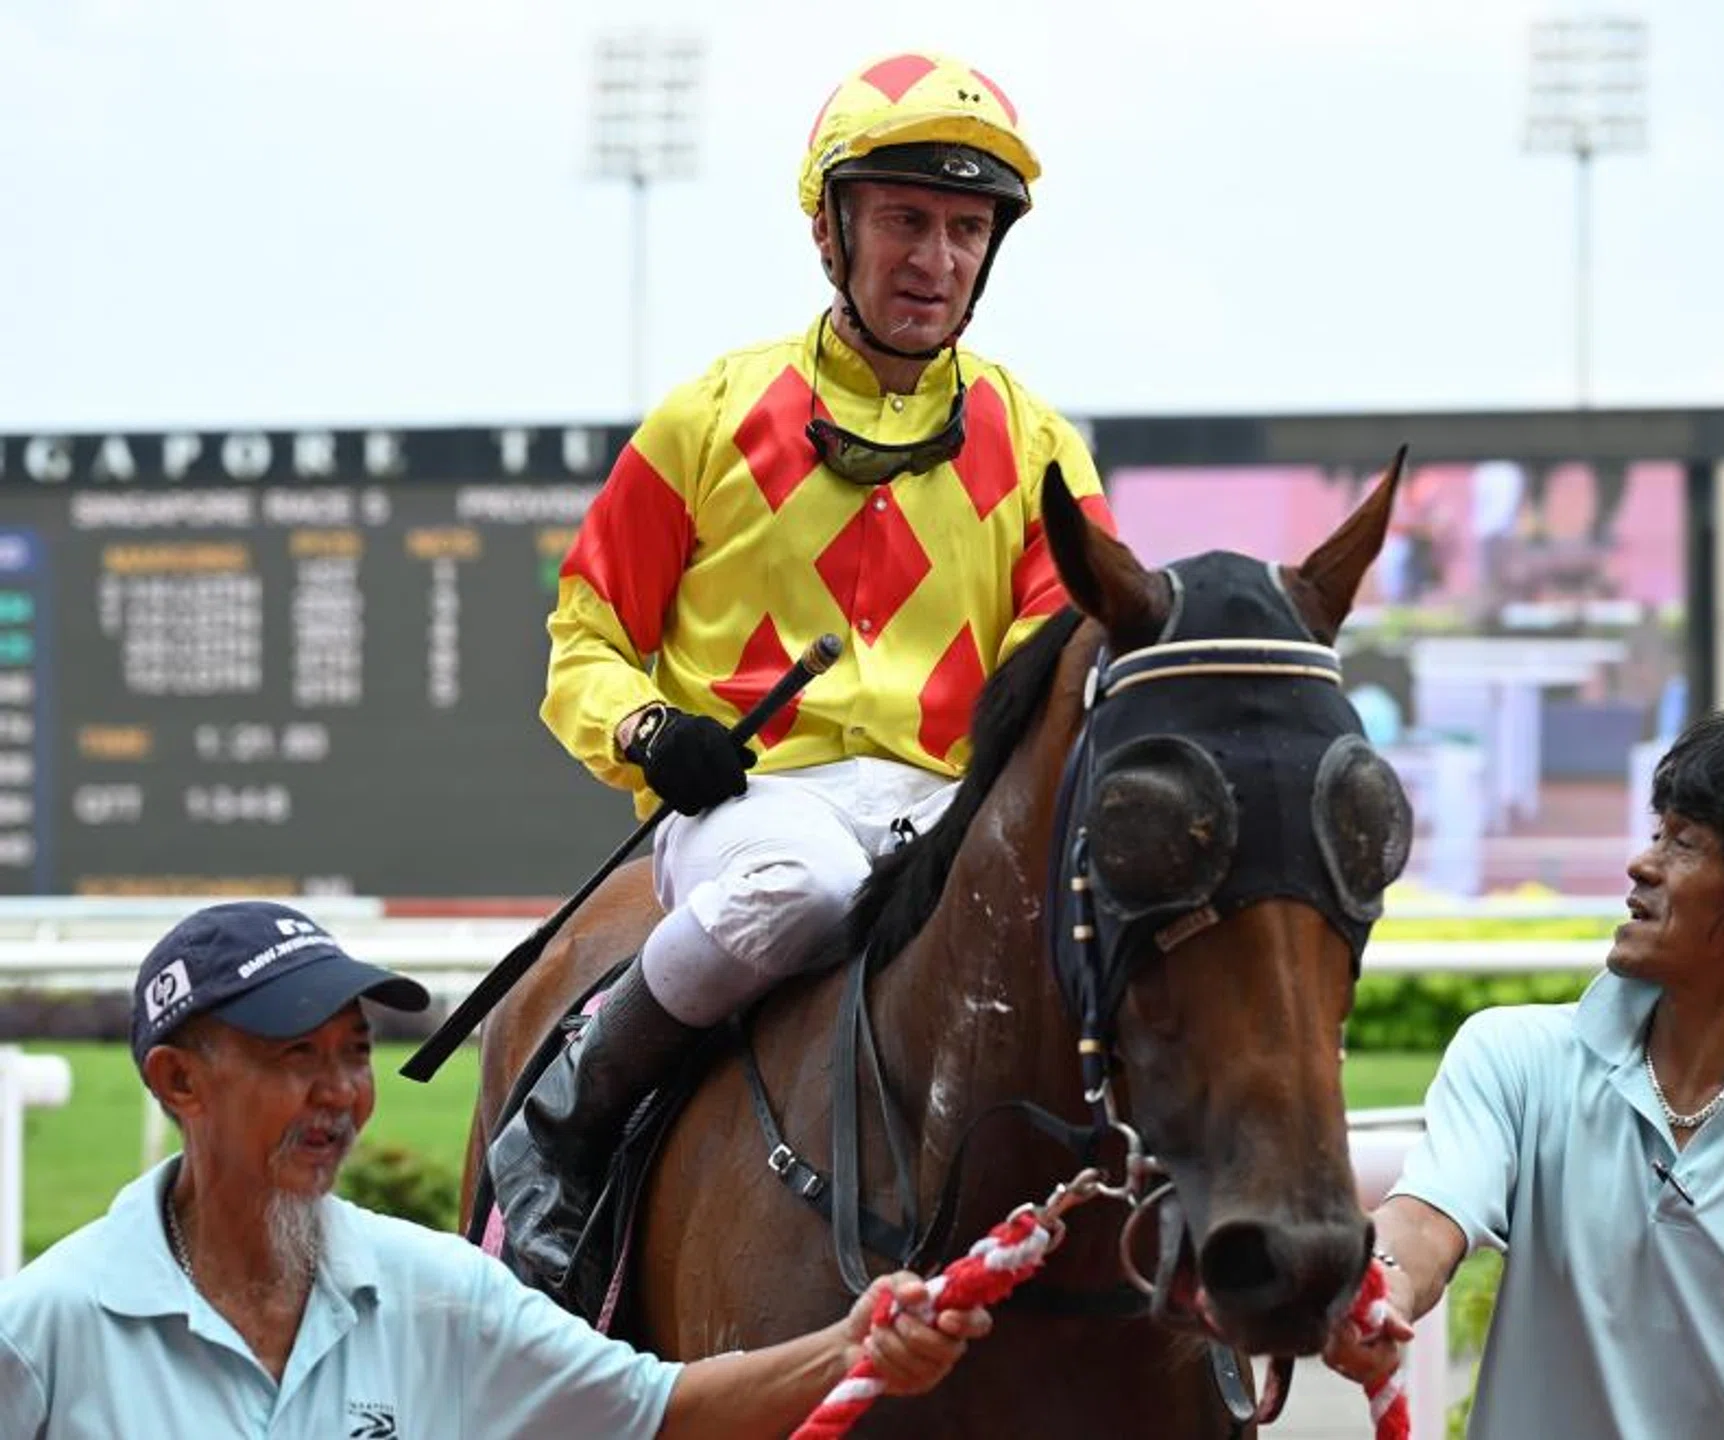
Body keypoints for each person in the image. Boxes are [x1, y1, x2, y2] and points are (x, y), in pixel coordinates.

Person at [494, 49, 1112, 1286]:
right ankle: (562, 1126)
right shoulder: (708, 419)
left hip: (944, 812)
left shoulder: (1038, 445)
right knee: (808, 881)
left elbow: (1072, 669)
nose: (936, 260)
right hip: (750, 816)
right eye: (904, 222)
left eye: (964, 229)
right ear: (832, 233)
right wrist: (651, 734)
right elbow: (585, 636)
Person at [0, 902, 990, 1438]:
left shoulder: (440, 1295)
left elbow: (660, 1410)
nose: (341, 1093)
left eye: (353, 1053)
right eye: (294, 1055)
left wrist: (852, 1344)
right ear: (179, 1082)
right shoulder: (43, 1329)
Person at [1324, 706, 1724, 1437]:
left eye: (1686, 843)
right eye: (1656, 832)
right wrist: (1381, 1281)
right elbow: (1424, 1218)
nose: (1642, 864)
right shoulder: (1515, 1058)